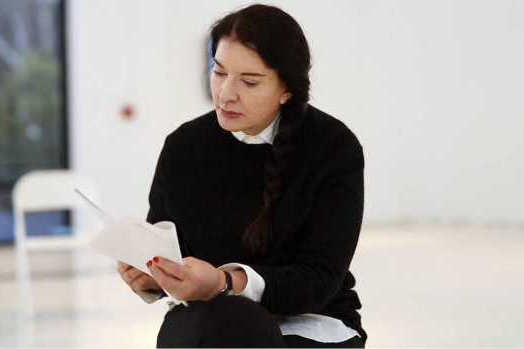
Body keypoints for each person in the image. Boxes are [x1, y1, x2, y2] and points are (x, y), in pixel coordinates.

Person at [117, 4, 367, 348]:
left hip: (310, 321)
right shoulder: (183, 146)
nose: (226, 94)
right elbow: (166, 244)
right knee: (215, 323)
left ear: (287, 89)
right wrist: (152, 278)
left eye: (249, 82)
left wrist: (224, 281)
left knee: (233, 320)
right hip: (216, 321)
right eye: (219, 73)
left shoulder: (332, 147)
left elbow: (318, 278)